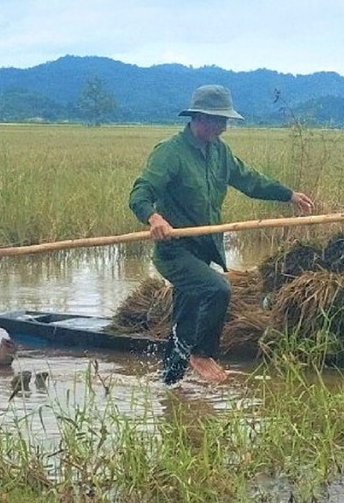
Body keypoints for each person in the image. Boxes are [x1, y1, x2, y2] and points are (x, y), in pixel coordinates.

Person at [128, 85, 314, 385]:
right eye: (221, 120)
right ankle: (202, 353)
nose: (226, 127)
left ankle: (169, 389)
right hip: (175, 251)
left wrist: (288, 194)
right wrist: (154, 217)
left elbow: (250, 180)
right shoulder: (170, 152)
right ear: (201, 117)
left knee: (183, 327)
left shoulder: (219, 153)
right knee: (218, 289)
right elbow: (141, 191)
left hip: (202, 251)